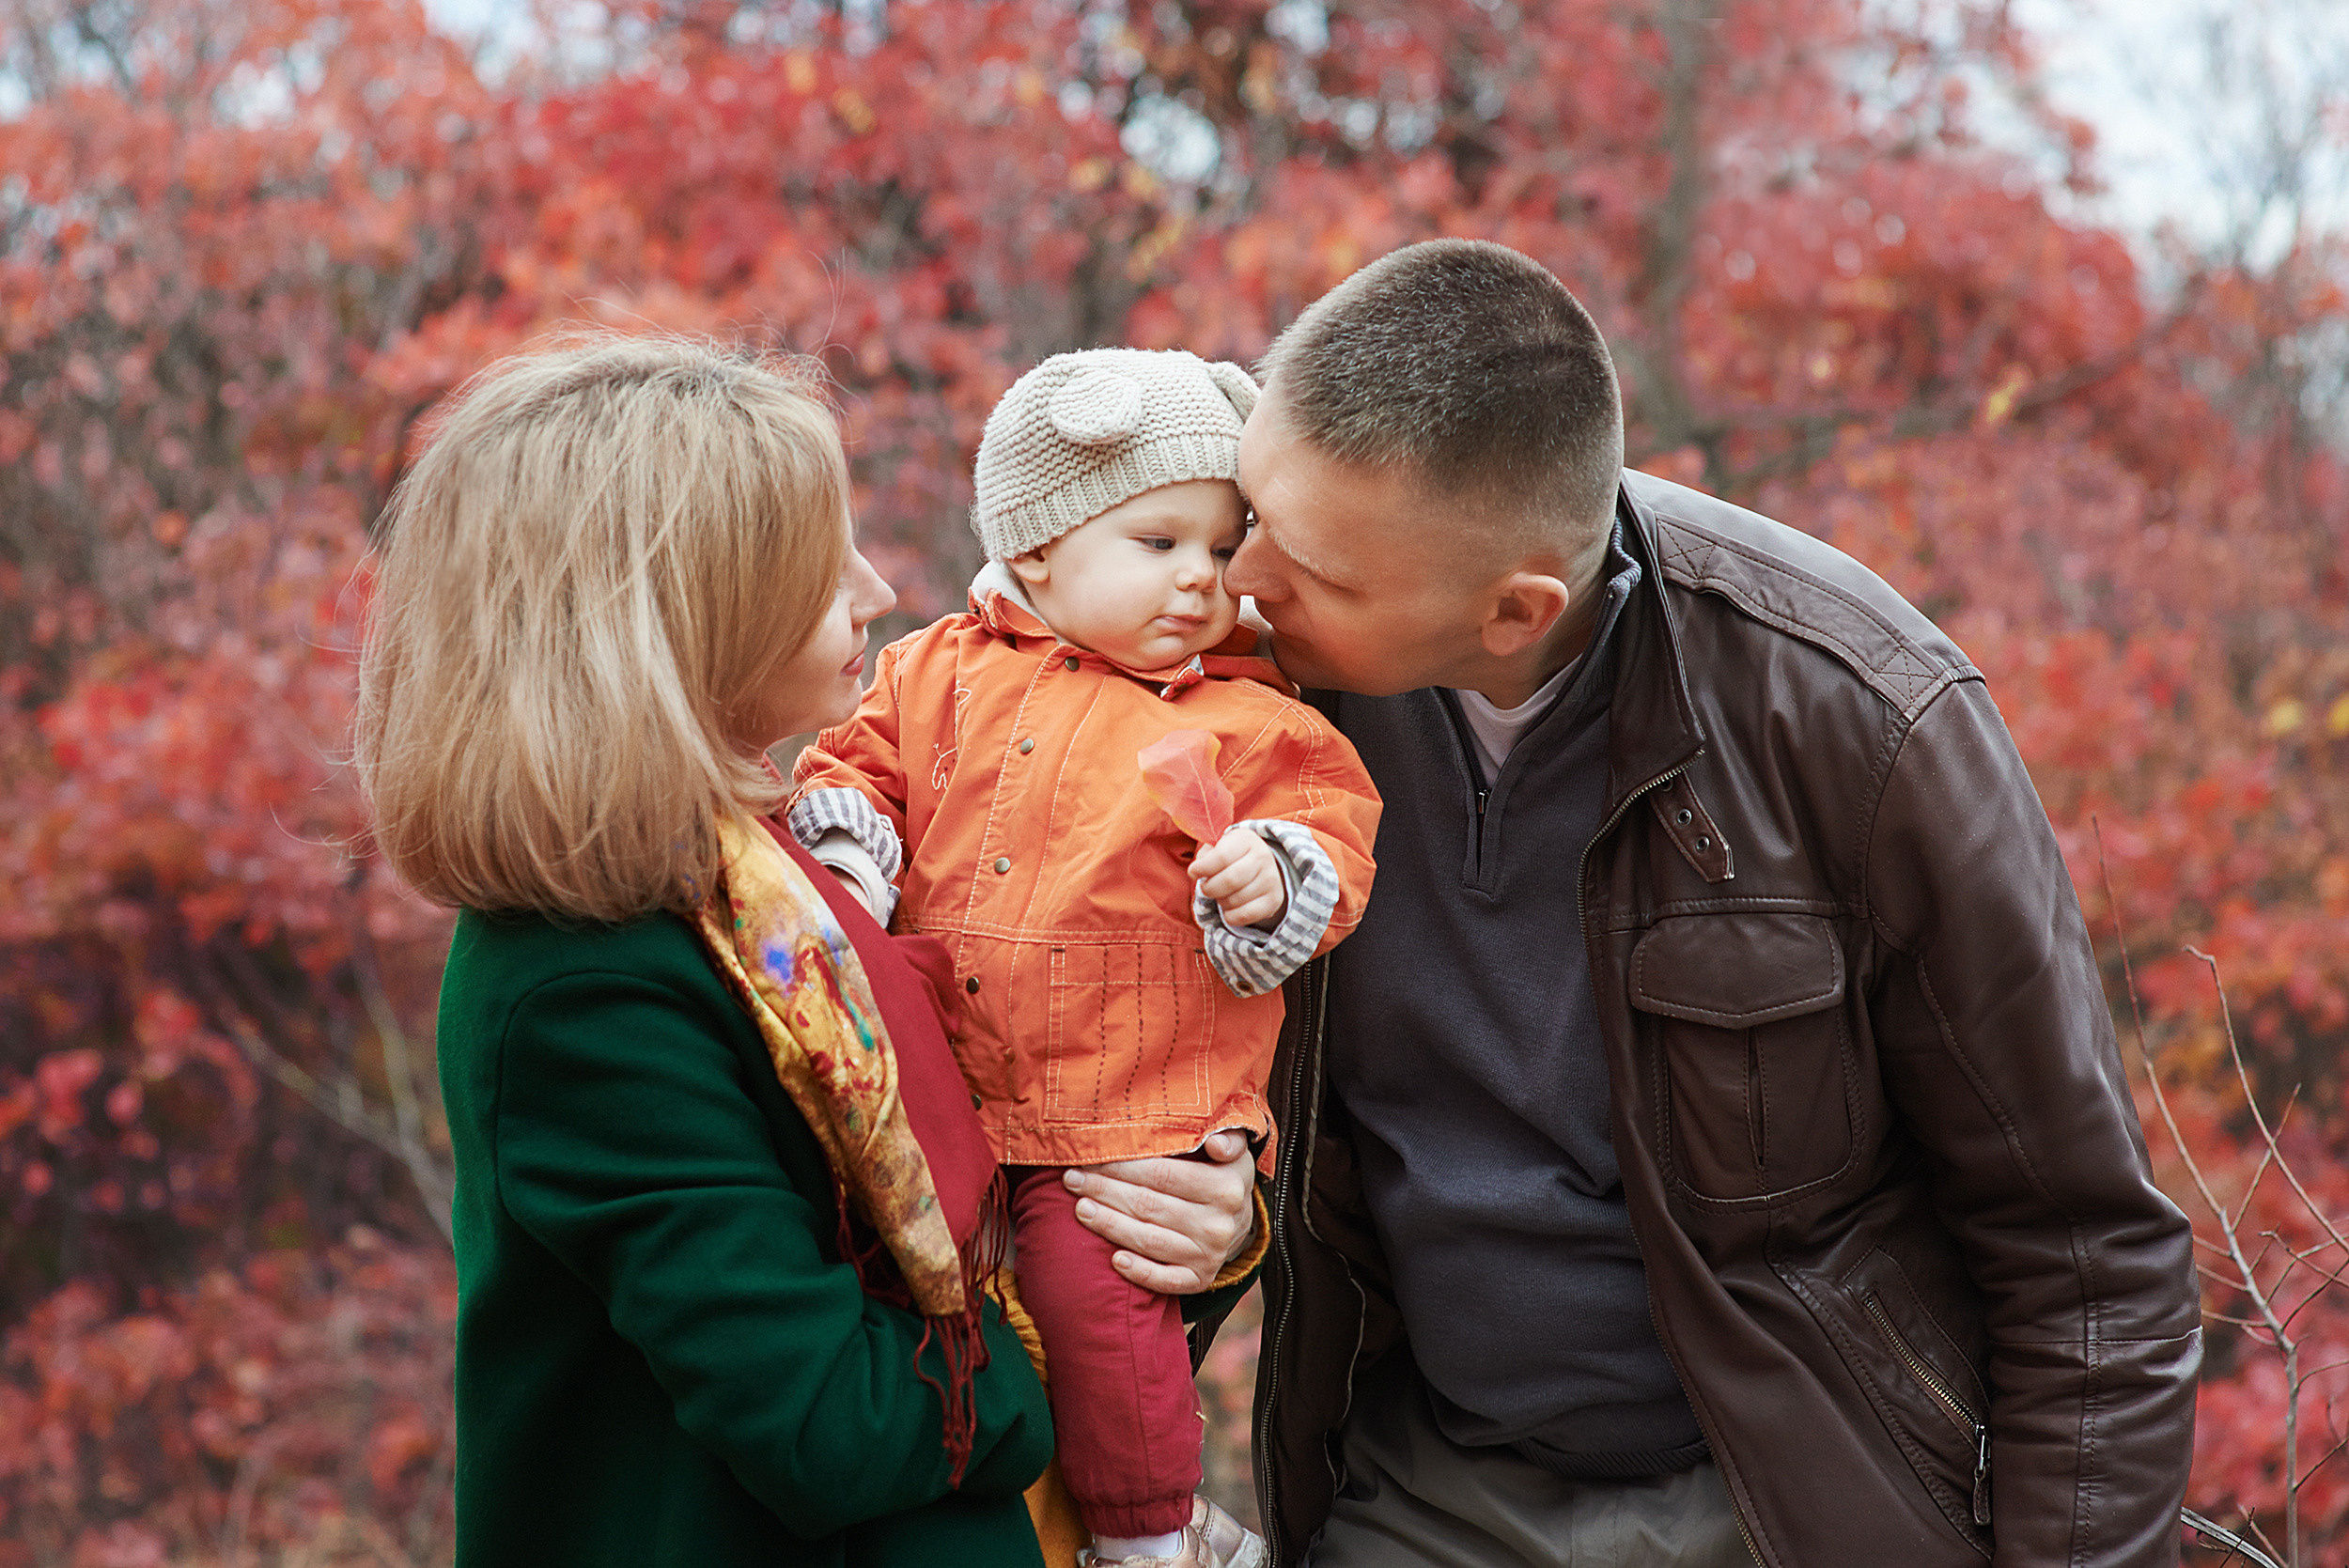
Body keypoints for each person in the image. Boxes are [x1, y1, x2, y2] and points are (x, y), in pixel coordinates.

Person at [1204, 241, 2201, 1568]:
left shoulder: (1861, 716)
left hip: (1789, 1501)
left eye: (1311, 568)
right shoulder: (1231, 675)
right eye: (1247, 511)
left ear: (1516, 612)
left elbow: (2086, 1253)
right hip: (1422, 1483)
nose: (1238, 580)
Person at [348, 334, 1248, 1568]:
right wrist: (1035, 1349)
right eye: (820, 571)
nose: (880, 589)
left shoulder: (780, 875)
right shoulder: (581, 984)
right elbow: (830, 1419)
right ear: (681, 620)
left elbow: (1021, 1148)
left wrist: (1198, 1219)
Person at [786, 348, 1382, 1568]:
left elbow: (1331, 838)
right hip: (942, 1090)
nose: (1200, 581)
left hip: (1122, 1109)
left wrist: (1270, 877)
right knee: (923, 1302)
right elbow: (854, 769)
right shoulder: (934, 671)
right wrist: (852, 871)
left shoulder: (1251, 715)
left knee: (1096, 1307)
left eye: (1221, 551)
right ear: (1042, 546)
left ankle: (1152, 1534)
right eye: (1158, 541)